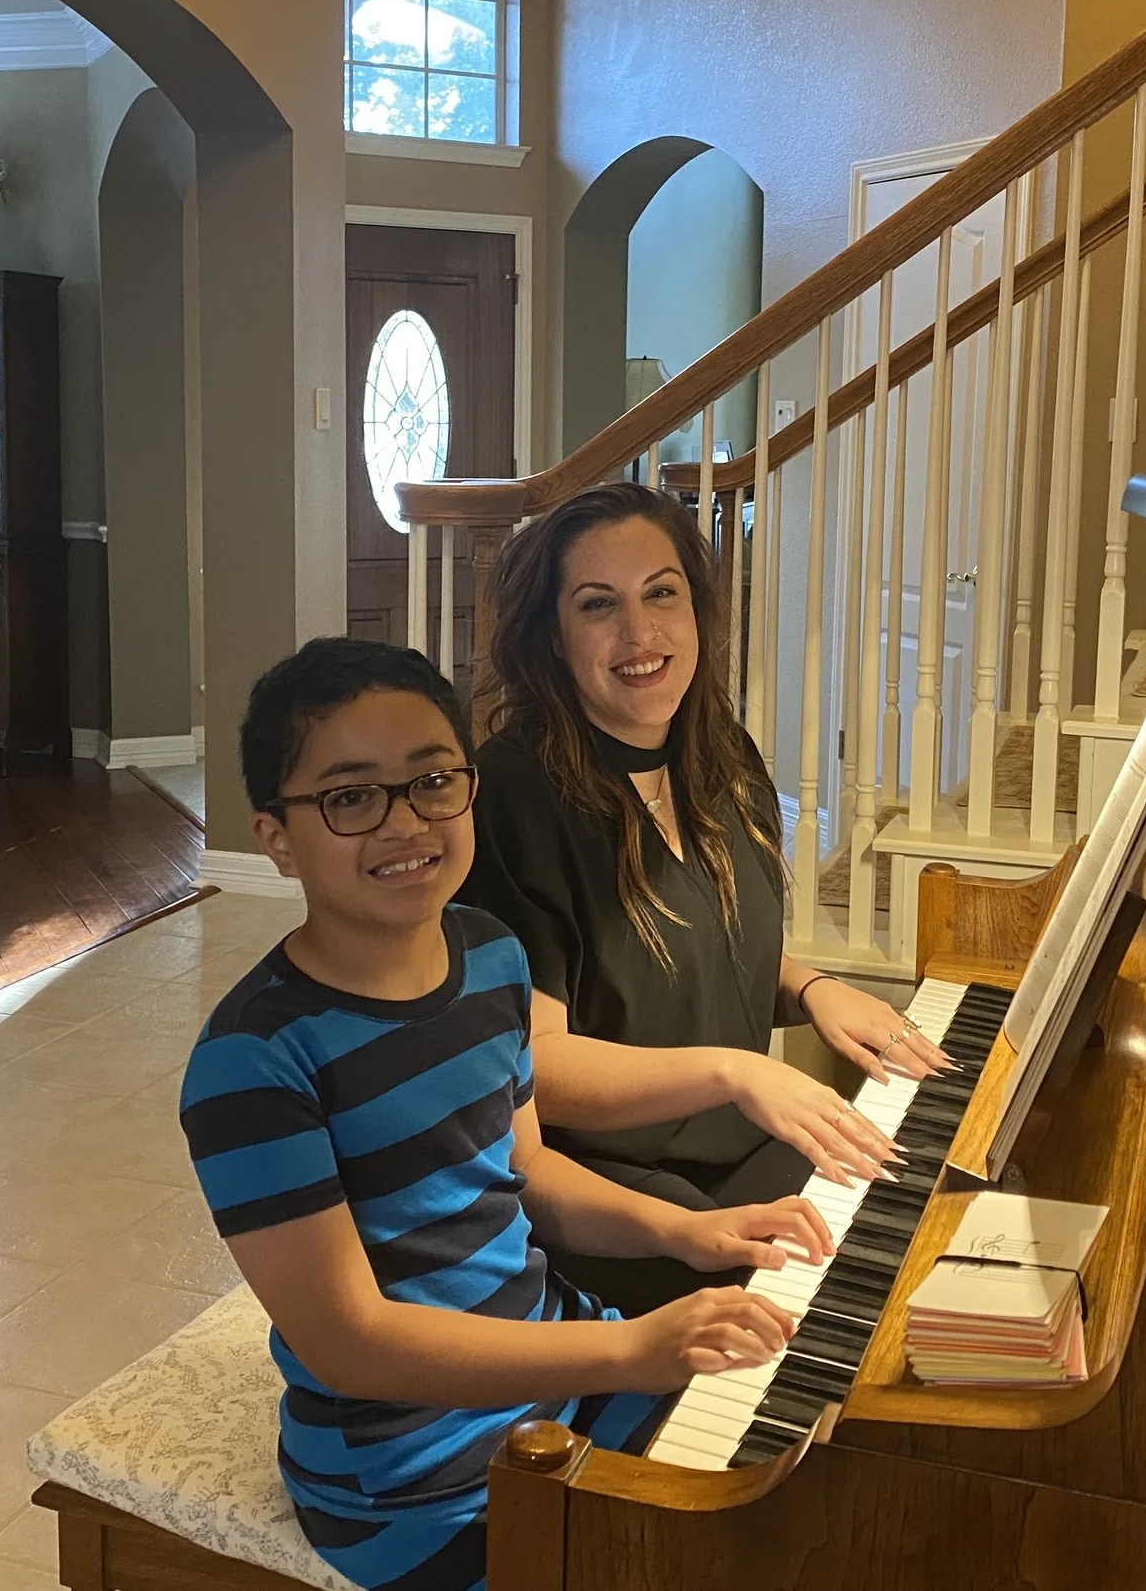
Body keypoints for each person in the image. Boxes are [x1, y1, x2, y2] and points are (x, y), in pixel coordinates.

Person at [181, 638, 828, 1591]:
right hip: (412, 1477)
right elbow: (350, 1342)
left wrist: (687, 1231)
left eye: (433, 780)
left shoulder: (489, 956)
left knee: (809, 1483)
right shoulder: (253, 1061)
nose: (406, 822)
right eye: (351, 796)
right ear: (276, 835)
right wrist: (625, 1346)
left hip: (557, 1377)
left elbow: (524, 1172)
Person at [459, 482, 952, 1318]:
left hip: (732, 1150)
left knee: (935, 1205)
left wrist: (811, 988)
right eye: (597, 605)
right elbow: (534, 1065)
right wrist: (737, 1072)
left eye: (662, 593)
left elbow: (692, 952)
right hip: (609, 1193)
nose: (639, 633)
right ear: (551, 636)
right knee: (850, 1300)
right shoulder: (516, 796)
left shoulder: (719, 755)